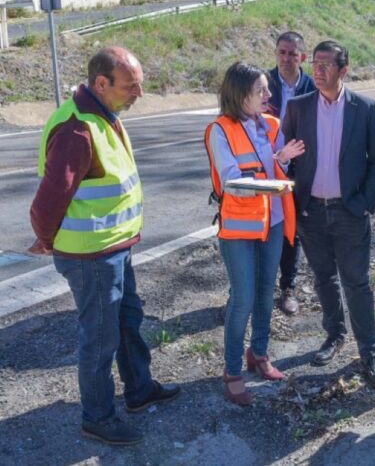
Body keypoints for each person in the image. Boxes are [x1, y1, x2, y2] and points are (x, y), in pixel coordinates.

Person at [29, 47, 180, 445]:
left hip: (113, 247)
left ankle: (139, 389)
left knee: (128, 319)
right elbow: (47, 202)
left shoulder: (103, 113)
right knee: (99, 337)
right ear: (101, 83)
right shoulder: (77, 130)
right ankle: (97, 417)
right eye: (131, 86)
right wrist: (47, 240)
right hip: (91, 256)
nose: (140, 93)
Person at [280, 40, 375, 386]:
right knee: (323, 279)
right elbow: (285, 156)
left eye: (327, 64)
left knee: (356, 282)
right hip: (311, 211)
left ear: (344, 70)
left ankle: (369, 350)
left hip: (349, 211)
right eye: (316, 63)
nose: (319, 69)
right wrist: (289, 177)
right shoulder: (298, 107)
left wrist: (363, 204)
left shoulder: (366, 108)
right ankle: (334, 335)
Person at [205, 61, 304, 405]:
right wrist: (272, 178)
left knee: (265, 294)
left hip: (273, 222)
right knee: (243, 297)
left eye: (267, 88)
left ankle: (259, 354)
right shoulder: (220, 129)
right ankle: (232, 370)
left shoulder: (273, 124)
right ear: (240, 94)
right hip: (239, 228)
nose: (269, 94)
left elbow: (274, 166)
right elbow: (232, 180)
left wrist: (283, 158)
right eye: (260, 89)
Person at [267, 31, 317, 316]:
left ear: (303, 57)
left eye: (292, 53)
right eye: (282, 52)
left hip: (297, 168)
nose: (286, 58)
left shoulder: (312, 86)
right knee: (258, 230)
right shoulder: (262, 83)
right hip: (264, 167)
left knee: (290, 231)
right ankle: (247, 291)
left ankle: (288, 288)